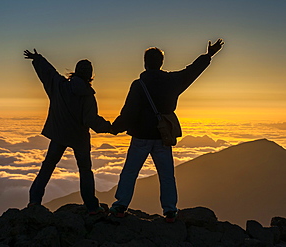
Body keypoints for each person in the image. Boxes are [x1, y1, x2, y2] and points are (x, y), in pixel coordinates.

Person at [109, 39, 224, 222]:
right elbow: (191, 71)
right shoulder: (172, 81)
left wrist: (114, 128)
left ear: (145, 62)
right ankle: (170, 211)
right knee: (166, 175)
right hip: (163, 136)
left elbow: (129, 112)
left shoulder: (139, 85)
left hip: (141, 137)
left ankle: (120, 206)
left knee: (130, 172)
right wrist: (209, 55)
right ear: (161, 63)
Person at [24, 49, 111, 214]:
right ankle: (92, 207)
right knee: (85, 170)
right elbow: (91, 120)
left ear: (75, 72)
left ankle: (34, 201)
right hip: (79, 138)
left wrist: (38, 58)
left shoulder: (59, 86)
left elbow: (48, 73)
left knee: (48, 166)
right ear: (90, 76)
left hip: (59, 134)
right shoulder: (87, 96)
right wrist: (110, 128)